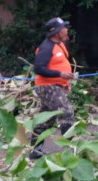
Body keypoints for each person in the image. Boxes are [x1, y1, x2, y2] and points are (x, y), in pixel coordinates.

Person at [29, 17, 76, 159]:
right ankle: (69, 151)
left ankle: (35, 151)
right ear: (56, 31)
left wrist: (65, 82)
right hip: (47, 87)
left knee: (46, 120)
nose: (66, 30)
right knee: (67, 113)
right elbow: (39, 69)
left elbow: (58, 64)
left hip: (56, 86)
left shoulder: (59, 44)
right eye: (63, 28)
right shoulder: (46, 47)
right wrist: (60, 74)